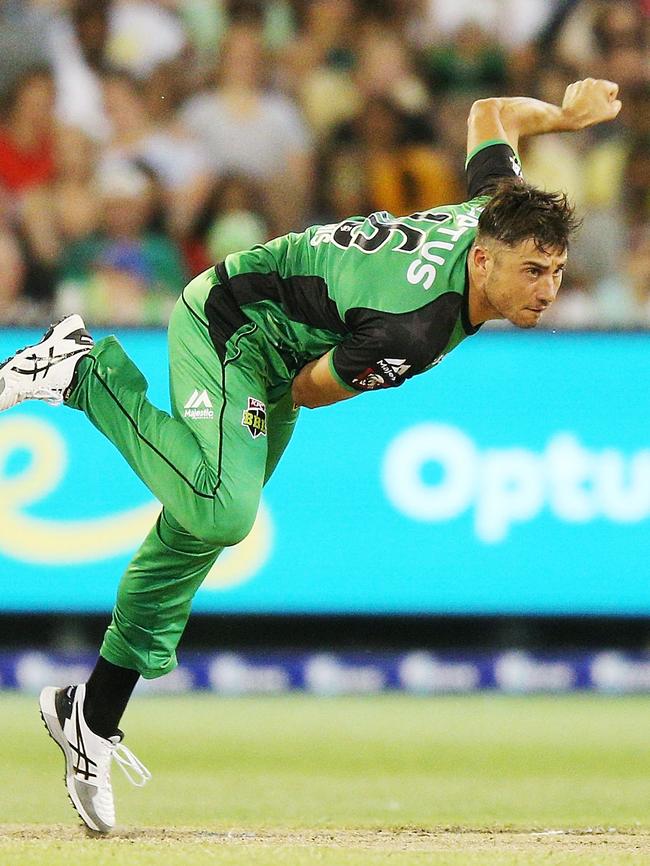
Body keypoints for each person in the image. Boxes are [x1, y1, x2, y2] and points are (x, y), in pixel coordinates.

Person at [0, 78, 621, 833]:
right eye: (533, 271)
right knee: (222, 511)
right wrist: (254, 414)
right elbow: (311, 390)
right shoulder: (412, 332)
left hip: (285, 336)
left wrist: (560, 115)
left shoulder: (496, 209)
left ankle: (89, 714)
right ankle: (84, 373)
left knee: (193, 533)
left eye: (556, 271)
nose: (549, 290)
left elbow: (489, 115)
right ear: (485, 262)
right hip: (234, 325)